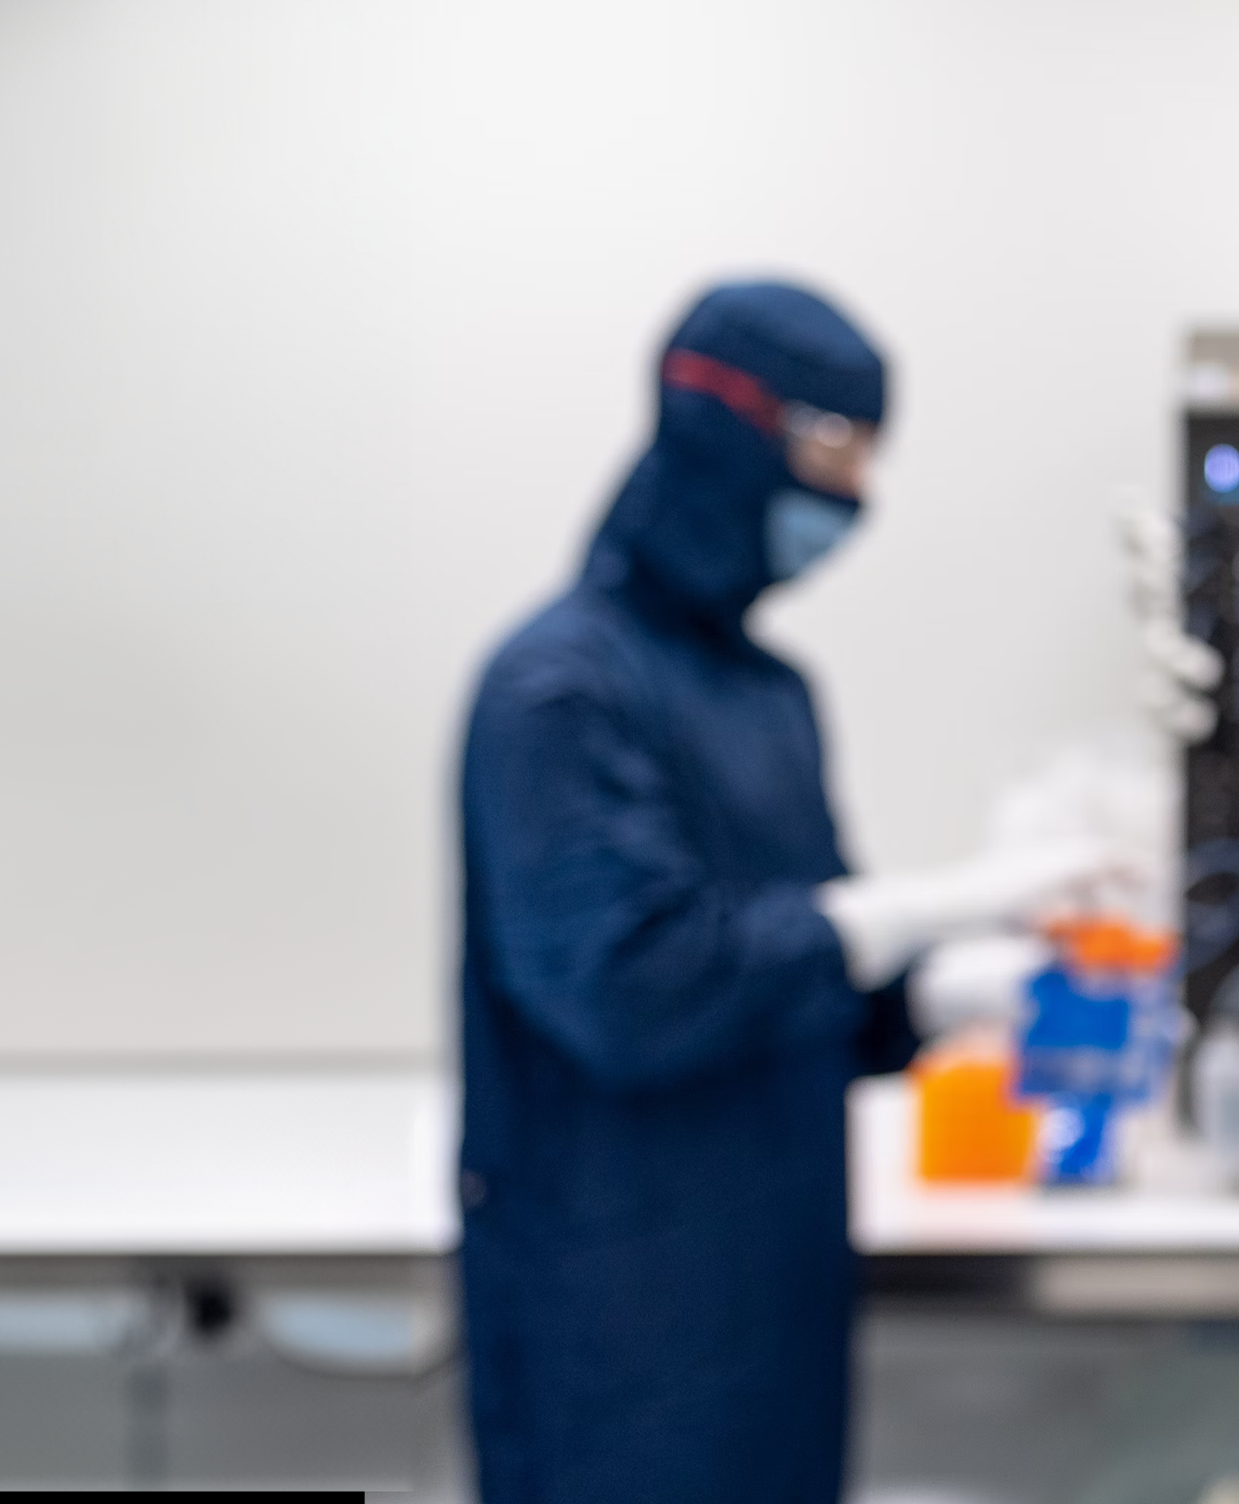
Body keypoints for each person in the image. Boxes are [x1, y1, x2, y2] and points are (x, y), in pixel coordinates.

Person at [452, 281, 1102, 1503]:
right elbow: (632, 992)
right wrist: (928, 905)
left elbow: (809, 981)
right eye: (834, 447)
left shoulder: (767, 698)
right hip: (612, 1332)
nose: (854, 495)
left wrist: (971, 987)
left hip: (769, 1316)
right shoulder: (559, 692)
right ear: (722, 420)